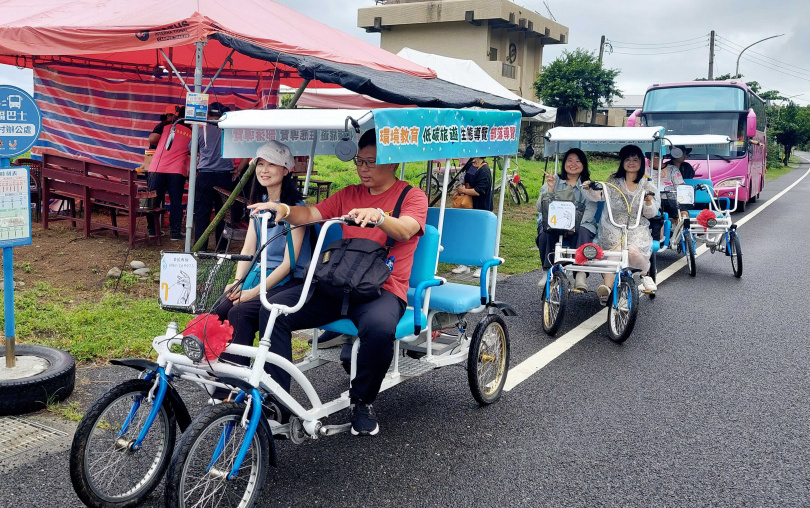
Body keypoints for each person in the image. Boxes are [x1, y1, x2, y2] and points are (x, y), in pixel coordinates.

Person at [248, 129, 428, 436]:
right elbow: (312, 213)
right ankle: (278, 399)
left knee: (380, 328)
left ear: (393, 163)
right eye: (360, 161)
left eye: (372, 162)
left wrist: (380, 216)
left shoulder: (411, 196)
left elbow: (406, 229)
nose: (364, 168)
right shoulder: (348, 194)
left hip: (381, 289)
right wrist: (286, 210)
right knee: (274, 310)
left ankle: (362, 400)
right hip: (339, 283)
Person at [209, 141, 312, 400]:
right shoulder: (261, 204)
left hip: (288, 280)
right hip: (261, 275)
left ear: (287, 169)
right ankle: (224, 375)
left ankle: (233, 387)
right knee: (221, 307)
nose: (264, 170)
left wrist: (253, 291)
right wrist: (237, 282)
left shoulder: (296, 209)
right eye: (261, 164)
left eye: (272, 165)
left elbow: (289, 263)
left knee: (241, 311)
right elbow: (248, 248)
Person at [582, 144, 660, 302]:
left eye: (635, 159)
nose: (631, 162)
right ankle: (607, 288)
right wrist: (589, 187)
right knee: (616, 251)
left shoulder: (648, 185)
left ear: (641, 163)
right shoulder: (613, 180)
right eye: (627, 159)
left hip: (636, 227)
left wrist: (649, 201)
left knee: (632, 251)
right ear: (622, 162)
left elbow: (651, 213)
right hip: (613, 226)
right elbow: (599, 194)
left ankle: (645, 274)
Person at [535, 148, 598, 291]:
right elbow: (540, 207)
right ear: (564, 163)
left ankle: (580, 274)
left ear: (583, 164)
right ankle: (547, 270)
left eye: (578, 161)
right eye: (569, 160)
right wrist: (550, 189)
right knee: (546, 232)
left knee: (582, 231)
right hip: (554, 222)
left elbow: (590, 211)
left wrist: (571, 225)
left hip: (580, 223)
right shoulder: (554, 180)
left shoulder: (587, 185)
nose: (573, 164)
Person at [193, 102, 248, 249]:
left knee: (202, 213)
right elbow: (245, 155)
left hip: (205, 176)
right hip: (224, 177)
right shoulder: (229, 132)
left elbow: (191, 152)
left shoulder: (199, 131)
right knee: (223, 214)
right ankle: (221, 247)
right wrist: (238, 170)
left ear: (208, 115)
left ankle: (200, 247)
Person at [147, 107, 190, 240]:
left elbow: (152, 139)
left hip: (157, 168)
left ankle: (152, 230)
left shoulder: (164, 126)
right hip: (177, 170)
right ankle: (175, 234)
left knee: (153, 200)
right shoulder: (193, 131)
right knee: (176, 202)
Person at [451, 156, 493, 276]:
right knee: (466, 235)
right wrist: (459, 191)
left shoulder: (484, 170)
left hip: (481, 208)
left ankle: (481, 266)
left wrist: (463, 191)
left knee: (479, 237)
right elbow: (466, 182)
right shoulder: (471, 164)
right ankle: (465, 264)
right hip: (468, 207)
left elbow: (479, 191)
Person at [648, 151, 686, 243]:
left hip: (670, 198)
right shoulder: (645, 171)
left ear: (661, 158)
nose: (650, 161)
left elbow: (680, 186)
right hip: (653, 200)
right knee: (657, 214)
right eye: (649, 159)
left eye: (654, 158)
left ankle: (683, 236)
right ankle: (658, 238)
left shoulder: (672, 169)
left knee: (683, 213)